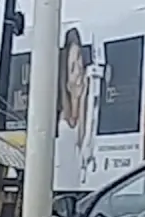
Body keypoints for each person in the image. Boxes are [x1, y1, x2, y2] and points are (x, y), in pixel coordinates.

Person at [55, 27, 91, 191]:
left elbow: (82, 141)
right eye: (72, 67)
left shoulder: (85, 101)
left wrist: (82, 98)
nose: (78, 70)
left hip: (76, 184)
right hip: (57, 183)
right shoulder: (59, 110)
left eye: (80, 61)